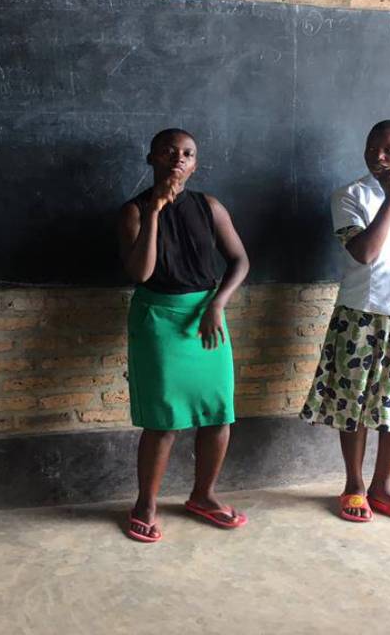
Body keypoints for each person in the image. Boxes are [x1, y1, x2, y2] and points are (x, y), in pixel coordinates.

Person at [299, 119, 390, 524]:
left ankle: (384, 487)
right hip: (360, 316)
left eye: (389, 151)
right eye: (371, 149)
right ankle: (354, 486)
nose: (378, 158)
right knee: (354, 405)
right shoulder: (349, 196)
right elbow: (364, 252)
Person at [116, 128, 250, 543]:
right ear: (151, 157)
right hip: (159, 318)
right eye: (169, 152)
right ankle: (146, 504)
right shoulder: (134, 211)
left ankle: (203, 495)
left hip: (206, 316)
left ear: (195, 163)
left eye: (188, 154)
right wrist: (156, 211)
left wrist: (217, 304)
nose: (179, 159)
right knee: (163, 421)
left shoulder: (209, 206)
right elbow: (140, 273)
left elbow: (241, 260)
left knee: (218, 412)